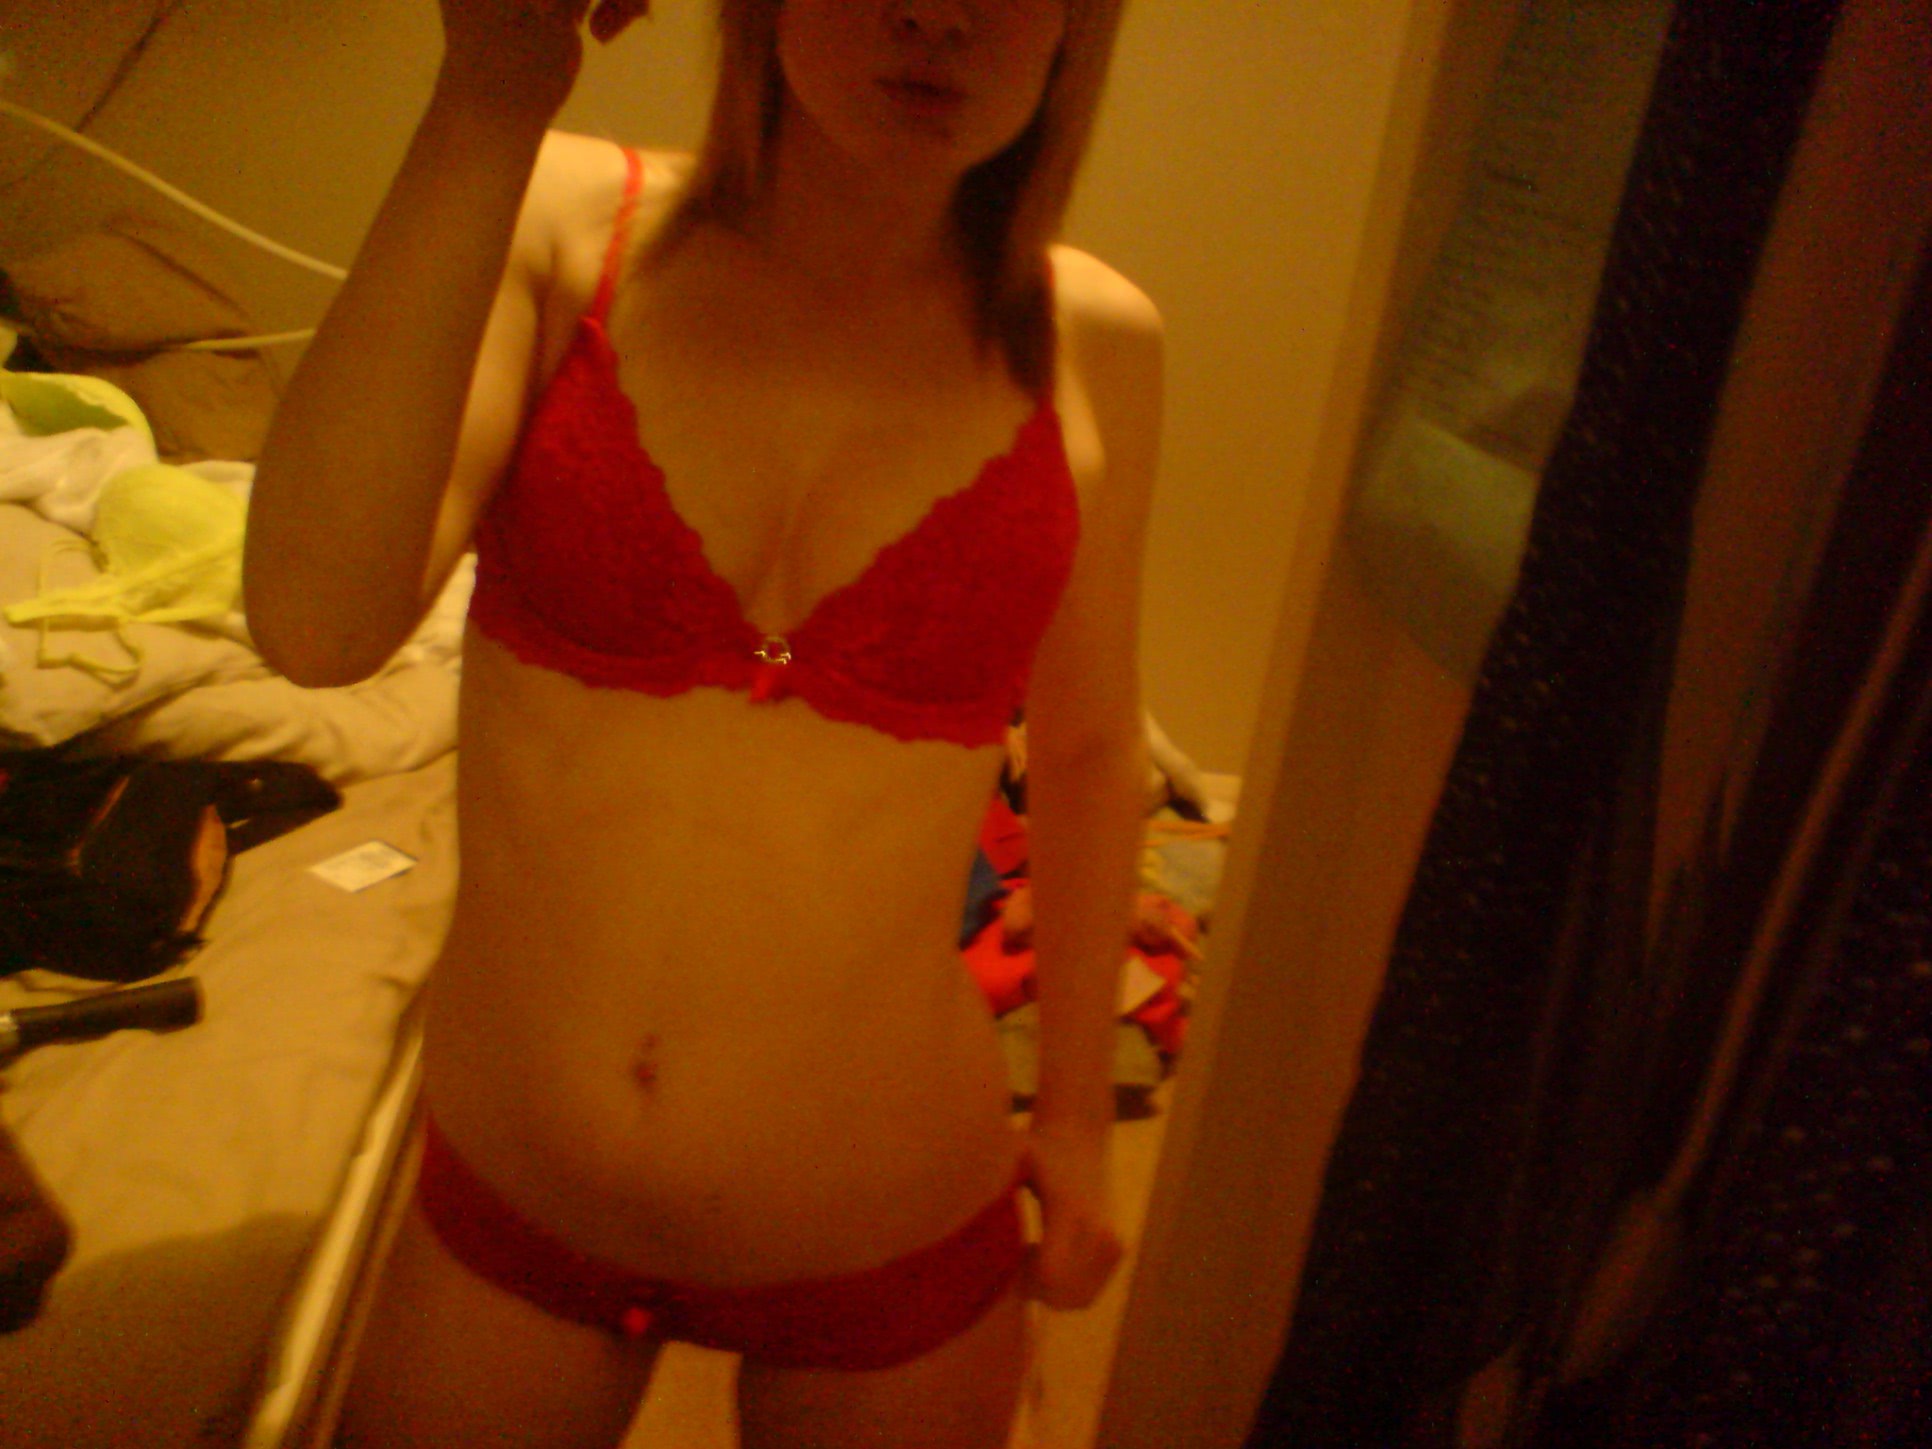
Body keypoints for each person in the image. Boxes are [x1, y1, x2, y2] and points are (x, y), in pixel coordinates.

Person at [246, 0, 1159, 1444]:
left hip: (891, 1225)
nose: (939, 15)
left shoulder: (1095, 339)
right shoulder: (558, 220)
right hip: (518, 1207)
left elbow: (1097, 754)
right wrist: (489, 92)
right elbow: (314, 623)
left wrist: (1076, 1125)